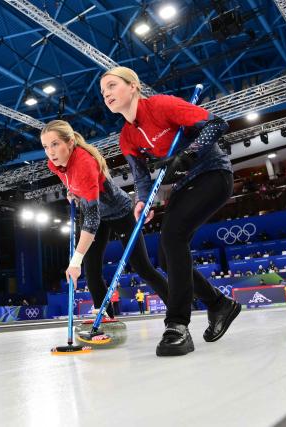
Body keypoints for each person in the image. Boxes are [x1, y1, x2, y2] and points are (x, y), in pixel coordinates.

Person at [100, 66, 240, 356]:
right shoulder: (126, 137)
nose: (106, 94)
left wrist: (187, 154)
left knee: (173, 236)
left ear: (134, 86)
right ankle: (218, 304)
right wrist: (142, 200)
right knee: (165, 255)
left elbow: (217, 124)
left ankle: (177, 324)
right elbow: (140, 177)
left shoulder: (161, 105)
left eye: (112, 86)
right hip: (185, 185)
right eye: (103, 92)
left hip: (213, 173)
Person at [41, 120, 170, 321]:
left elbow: (91, 220)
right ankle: (106, 317)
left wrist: (74, 261)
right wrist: (73, 192)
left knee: (142, 267)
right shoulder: (54, 164)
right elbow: (73, 182)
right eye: (46, 146)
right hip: (92, 210)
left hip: (119, 212)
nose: (50, 151)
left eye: (55, 144)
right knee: (91, 273)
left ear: (71, 142)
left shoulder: (85, 163)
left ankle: (177, 304)